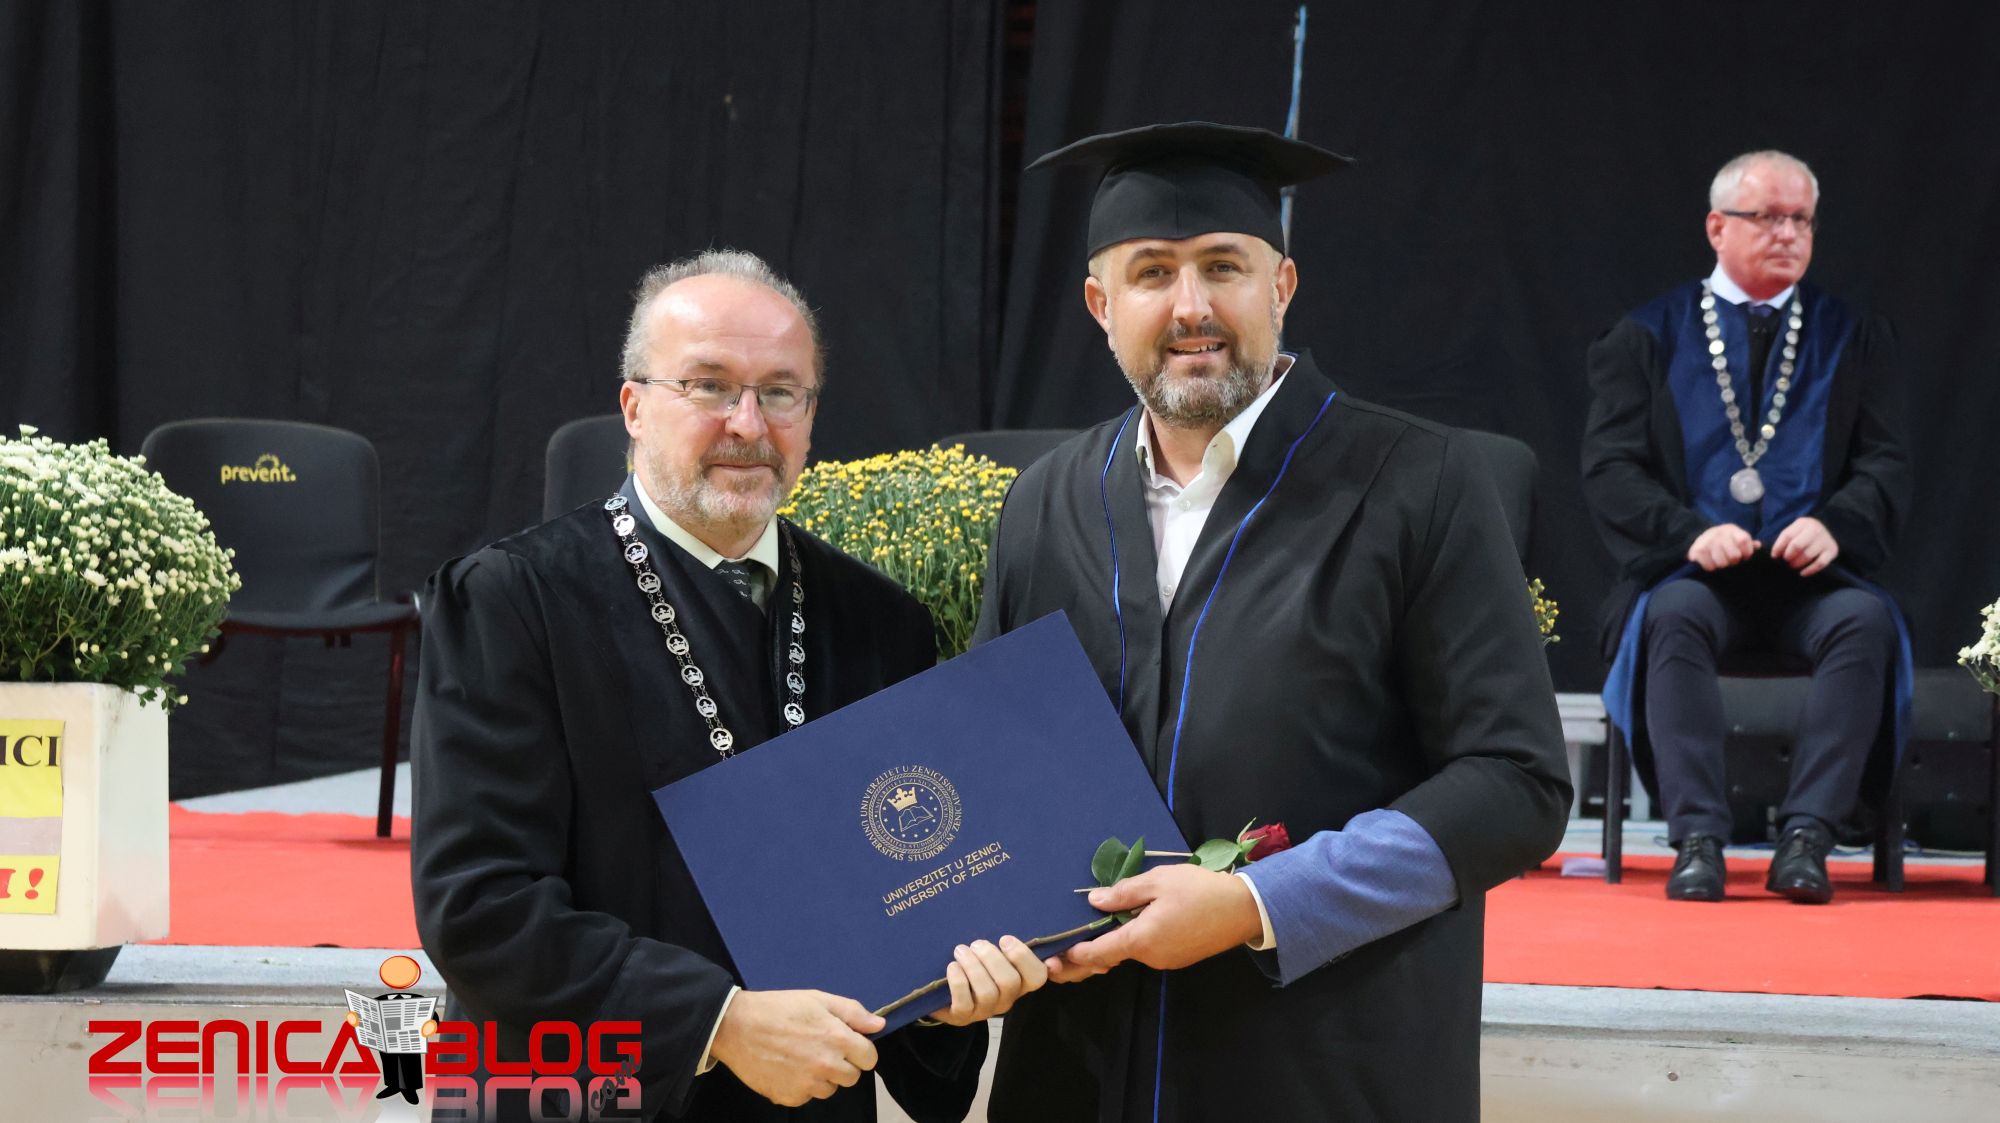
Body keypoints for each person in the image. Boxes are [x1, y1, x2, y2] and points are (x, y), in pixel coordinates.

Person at [974, 122, 1571, 1122]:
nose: (1191, 305)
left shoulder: (1416, 483)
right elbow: (995, 767)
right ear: (1099, 305)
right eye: (1151, 272)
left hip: (1323, 1066)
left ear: (1280, 287)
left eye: (1223, 266)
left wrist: (1258, 902)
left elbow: (1517, 782)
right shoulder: (1044, 502)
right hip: (1076, 1072)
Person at [412, 249, 1044, 1122]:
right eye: (709, 386)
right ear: (634, 406)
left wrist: (948, 992)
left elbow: (901, 894)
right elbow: (481, 906)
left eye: (781, 392)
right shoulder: (512, 600)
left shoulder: (878, 622)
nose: (748, 424)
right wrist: (721, 1023)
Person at [1583, 150, 1911, 905]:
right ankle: (1698, 839)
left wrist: (1837, 523)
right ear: (1717, 227)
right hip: (1696, 577)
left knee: (1864, 622)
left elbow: (1887, 461)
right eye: (1768, 217)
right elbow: (1610, 467)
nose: (1788, 234)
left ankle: (1808, 837)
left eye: (1802, 220)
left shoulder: (1852, 336)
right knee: (1671, 615)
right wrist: (1686, 533)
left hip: (1812, 584)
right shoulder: (1648, 334)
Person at [344, 954, 438, 1105]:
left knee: (409, 1063)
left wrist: (431, 1025)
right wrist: (356, 1020)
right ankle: (393, 1085)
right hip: (386, 1039)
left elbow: (432, 1015)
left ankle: (410, 1089)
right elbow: (365, 1014)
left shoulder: (418, 999)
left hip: (409, 1040)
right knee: (389, 1062)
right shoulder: (380, 1000)